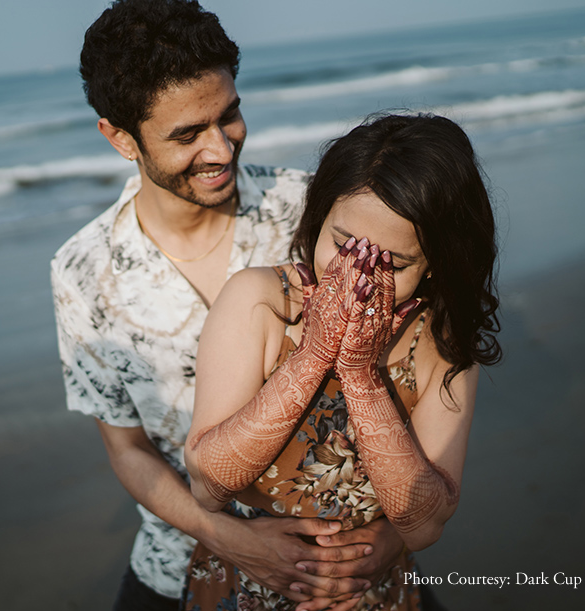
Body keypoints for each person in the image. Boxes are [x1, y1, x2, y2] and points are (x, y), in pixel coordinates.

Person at [51, 2, 411, 609]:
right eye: (187, 135)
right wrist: (230, 537)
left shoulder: (314, 211)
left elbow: (412, 367)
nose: (221, 149)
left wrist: (394, 535)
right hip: (180, 555)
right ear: (119, 137)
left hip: (344, 549)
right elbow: (128, 449)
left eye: (231, 115)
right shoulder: (82, 272)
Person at [184, 113, 502, 609]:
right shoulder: (259, 302)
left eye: (391, 264)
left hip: (370, 592)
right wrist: (313, 357)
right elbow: (208, 487)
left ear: (437, 261)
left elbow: (423, 528)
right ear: (319, 215)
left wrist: (359, 372)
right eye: (341, 244)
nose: (358, 276)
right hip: (246, 585)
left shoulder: (441, 344)